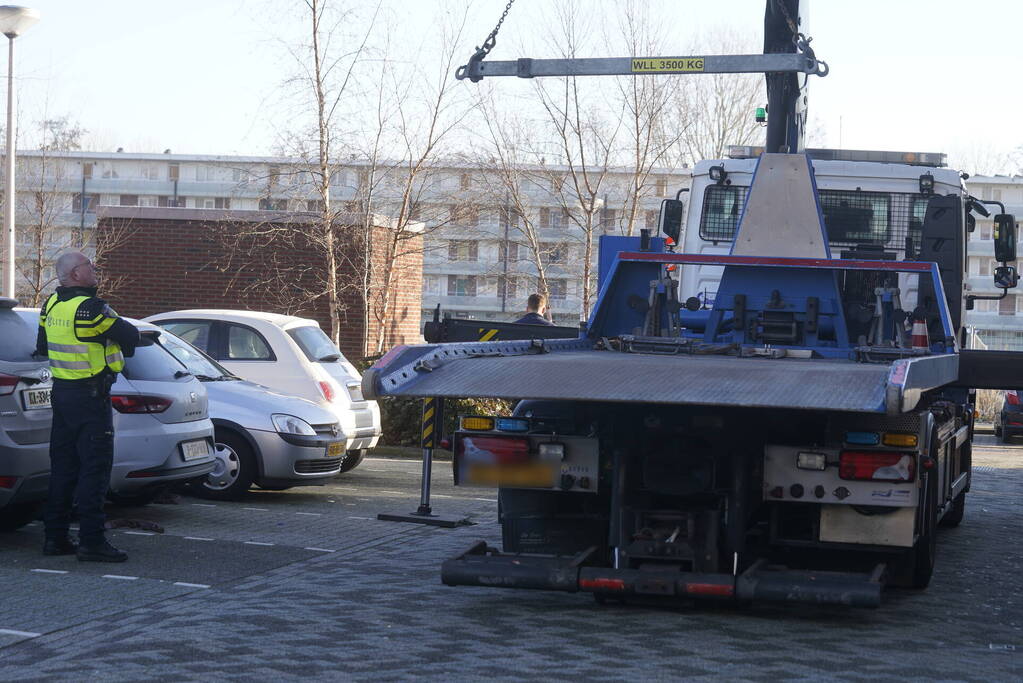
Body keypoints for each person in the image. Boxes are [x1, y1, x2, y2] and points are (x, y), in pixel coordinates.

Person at [37, 251, 139, 562]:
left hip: (63, 395)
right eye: (88, 266)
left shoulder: (50, 305)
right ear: (75, 275)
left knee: (64, 469)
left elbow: (42, 347)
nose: (94, 270)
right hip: (90, 398)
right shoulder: (92, 309)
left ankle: (55, 539)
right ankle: (92, 542)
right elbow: (130, 337)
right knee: (94, 470)